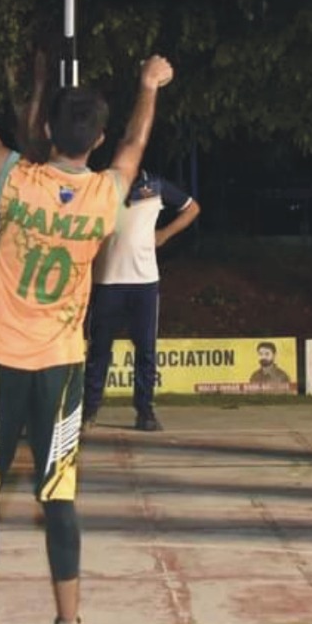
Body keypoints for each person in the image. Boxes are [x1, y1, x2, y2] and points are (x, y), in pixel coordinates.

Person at [0, 3, 172, 624]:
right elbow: (136, 147)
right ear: (93, 141)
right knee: (58, 497)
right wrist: (148, 86)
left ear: (43, 128)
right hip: (61, 368)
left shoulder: (17, 182)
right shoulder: (103, 196)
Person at [83, 169, 199, 432]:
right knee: (99, 349)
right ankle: (89, 410)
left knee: (146, 350)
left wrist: (164, 234)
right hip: (107, 280)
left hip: (144, 282)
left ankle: (145, 411)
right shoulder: (102, 183)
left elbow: (192, 209)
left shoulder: (155, 185)